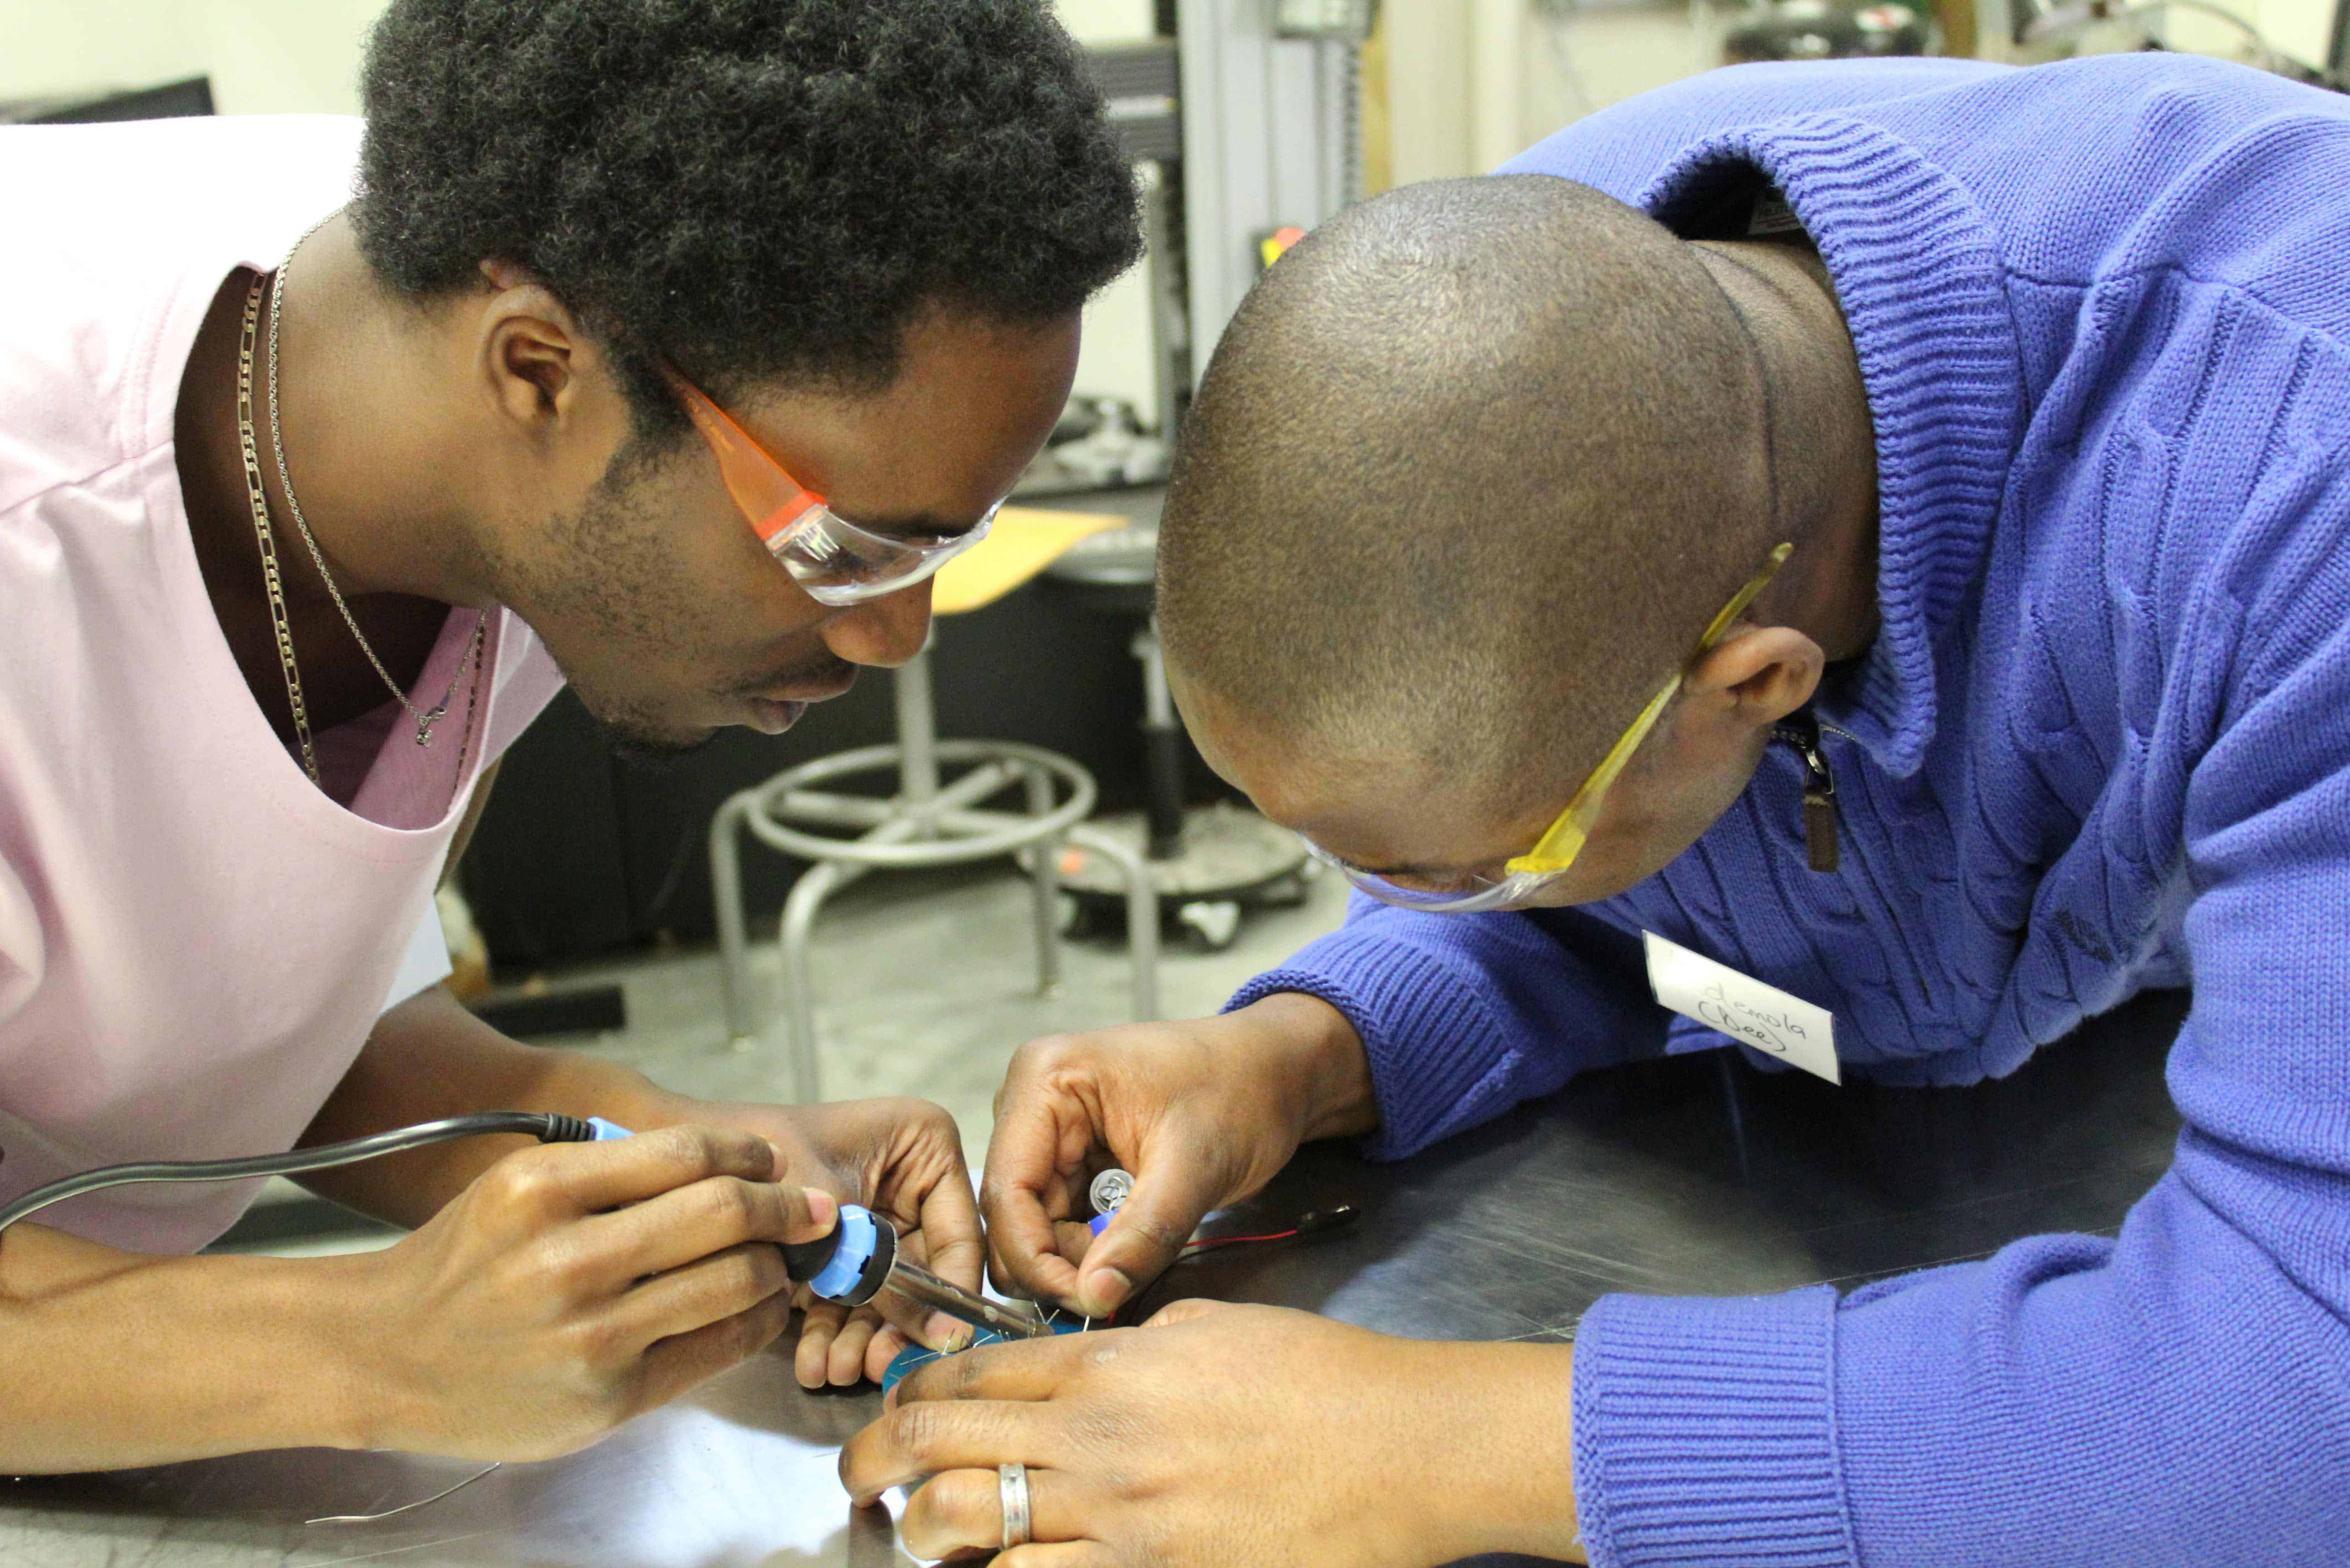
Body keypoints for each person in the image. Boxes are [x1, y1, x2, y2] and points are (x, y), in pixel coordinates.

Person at [842, 51, 2350, 1567]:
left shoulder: (2299, 470)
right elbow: (1596, 910)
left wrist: (1422, 1446)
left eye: (1461, 870)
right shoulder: (1501, 347)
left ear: (1759, 685)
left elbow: (2294, 1395)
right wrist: (1305, 1053)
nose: (1399, 891)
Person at [0, 0, 1139, 1471]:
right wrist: (376, 1352)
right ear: (537, 371)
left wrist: (655, 1151)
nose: (891, 639)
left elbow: (226, 985)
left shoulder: (544, 290)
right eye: (851, 549)